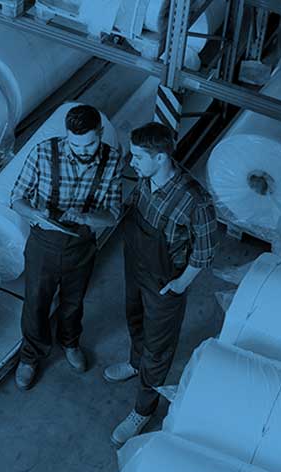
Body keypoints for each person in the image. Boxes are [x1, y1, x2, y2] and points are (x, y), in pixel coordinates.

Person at [104, 122, 217, 446]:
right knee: (134, 318)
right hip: (136, 265)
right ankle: (133, 361)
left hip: (165, 281)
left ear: (161, 156)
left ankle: (143, 408)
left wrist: (181, 284)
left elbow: (206, 252)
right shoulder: (146, 178)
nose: (132, 162)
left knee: (159, 347)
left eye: (138, 156)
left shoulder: (195, 201)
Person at [10, 104, 123, 390]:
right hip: (43, 243)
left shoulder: (112, 159)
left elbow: (113, 215)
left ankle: (70, 342)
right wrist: (35, 215)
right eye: (76, 144)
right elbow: (17, 198)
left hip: (81, 245)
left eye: (90, 144)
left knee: (73, 302)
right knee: (36, 302)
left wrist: (87, 217)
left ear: (100, 132)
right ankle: (30, 356)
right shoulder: (44, 153)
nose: (83, 151)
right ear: (67, 135)